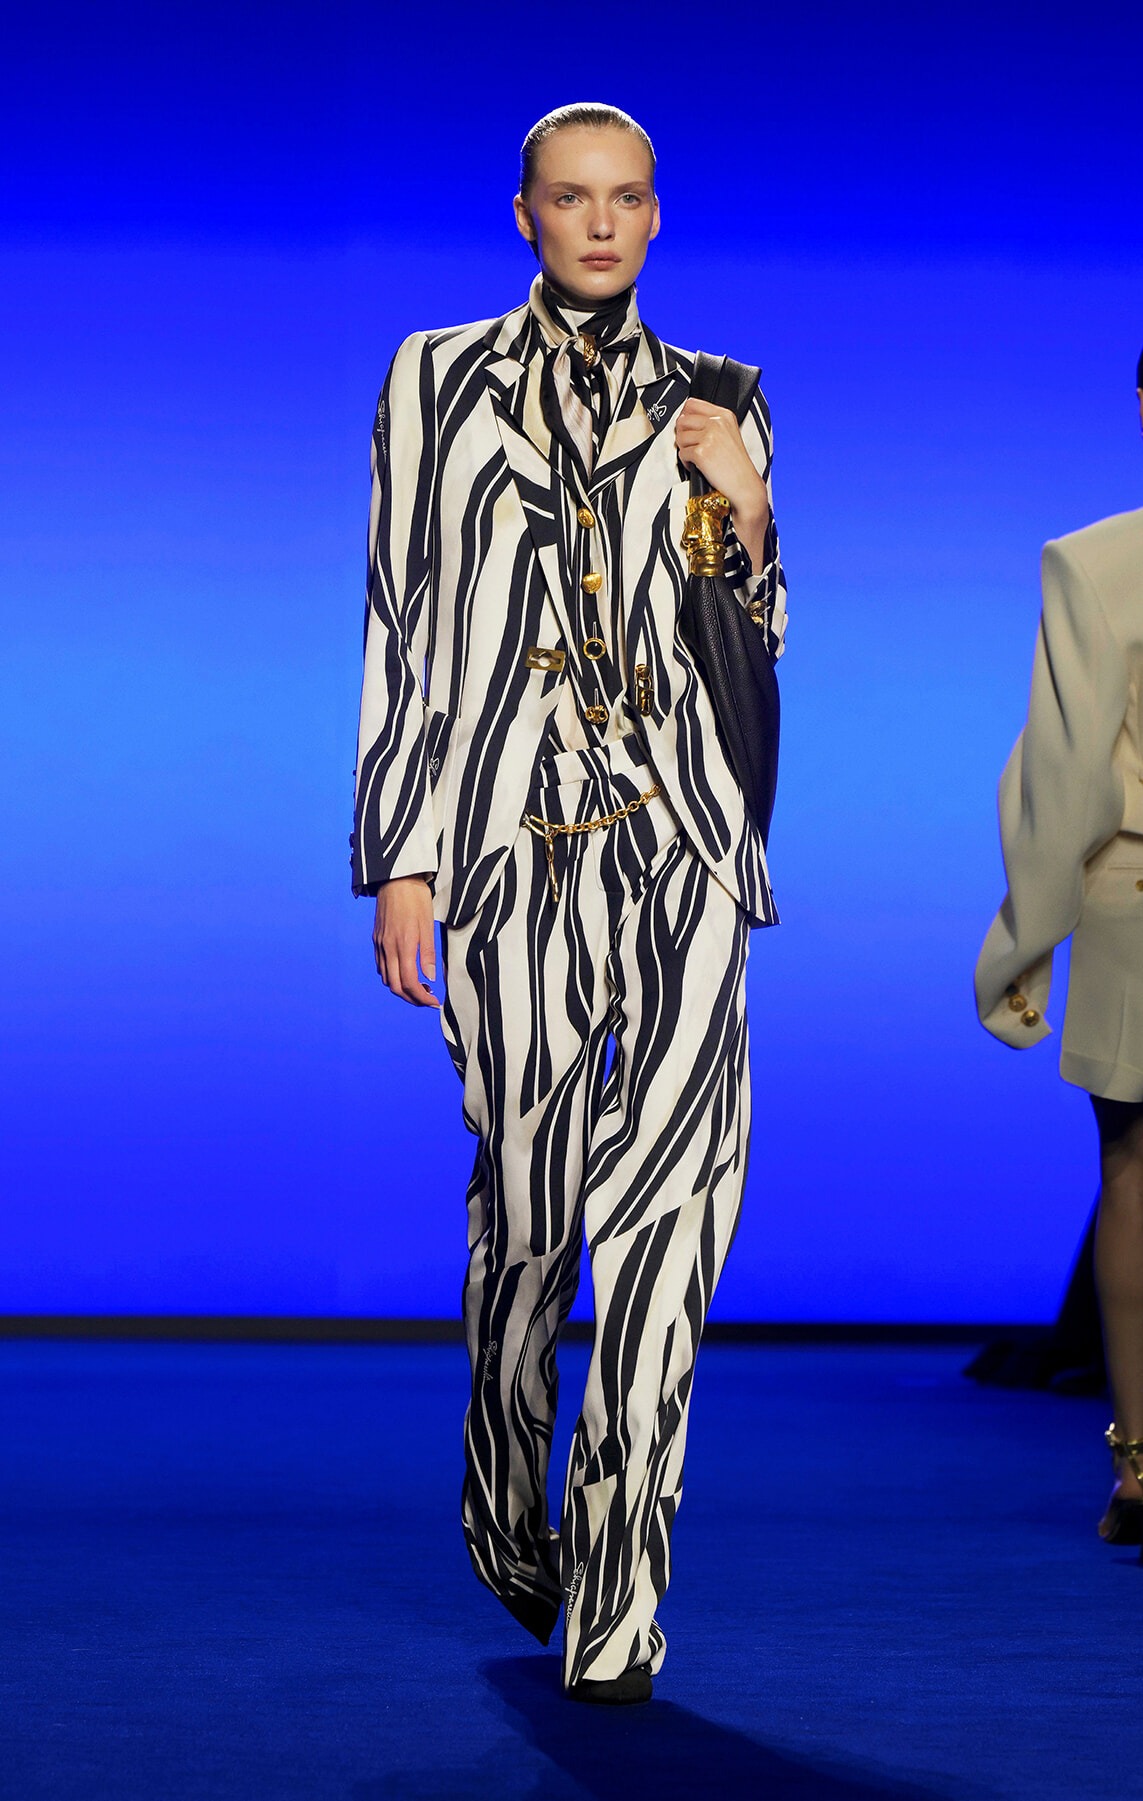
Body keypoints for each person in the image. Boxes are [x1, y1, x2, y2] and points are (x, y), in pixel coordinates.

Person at [352, 103, 786, 1701]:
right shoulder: (433, 377)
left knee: (673, 1218)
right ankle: (504, 1477)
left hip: (681, 847)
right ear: (526, 214)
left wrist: (744, 507)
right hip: (510, 852)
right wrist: (401, 854)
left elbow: (761, 636)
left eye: (627, 199)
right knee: (531, 1220)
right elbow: (402, 619)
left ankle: (618, 1597)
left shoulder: (723, 395)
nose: (600, 224)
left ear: (657, 217)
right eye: (571, 198)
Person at [975, 306, 1143, 1554]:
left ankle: (1136, 1463)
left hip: (1138, 887)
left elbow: (1061, 773)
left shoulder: (1091, 560)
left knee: (1132, 1172)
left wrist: (1025, 940)